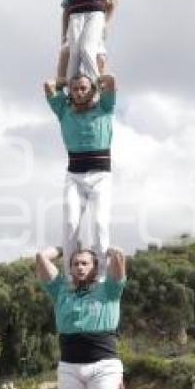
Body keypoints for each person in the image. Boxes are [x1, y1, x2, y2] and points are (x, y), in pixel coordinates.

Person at [36, 244, 127, 389]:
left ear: (95, 267)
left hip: (104, 366)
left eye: (85, 263)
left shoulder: (109, 289)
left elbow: (119, 257)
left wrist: (106, 250)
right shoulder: (61, 290)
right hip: (69, 366)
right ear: (70, 269)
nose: (80, 267)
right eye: (75, 264)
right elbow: (41, 258)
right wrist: (62, 248)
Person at [44, 74, 116, 278]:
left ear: (92, 90)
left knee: (100, 223)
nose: (79, 92)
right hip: (75, 176)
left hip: (100, 176)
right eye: (75, 89)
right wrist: (66, 82)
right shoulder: (63, 110)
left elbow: (110, 82)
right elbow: (48, 85)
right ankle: (70, 277)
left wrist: (94, 78)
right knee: (70, 224)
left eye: (84, 88)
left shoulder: (105, 107)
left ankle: (100, 276)